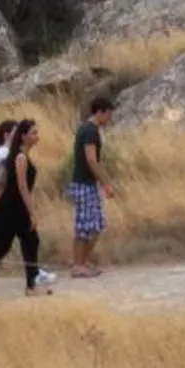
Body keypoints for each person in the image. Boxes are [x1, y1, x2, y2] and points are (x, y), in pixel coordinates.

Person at [0, 118, 55, 297]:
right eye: (33, 133)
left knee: (26, 241)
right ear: (23, 136)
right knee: (0, 245)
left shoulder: (20, 154)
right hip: (12, 208)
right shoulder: (20, 157)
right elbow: (22, 187)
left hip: (13, 207)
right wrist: (31, 212)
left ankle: (31, 283)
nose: (37, 136)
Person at [67, 95, 116, 278]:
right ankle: (78, 264)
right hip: (84, 184)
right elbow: (91, 160)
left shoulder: (87, 129)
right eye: (109, 114)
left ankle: (82, 261)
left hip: (87, 184)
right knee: (85, 226)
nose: (110, 118)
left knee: (95, 224)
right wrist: (106, 184)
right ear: (101, 112)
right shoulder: (90, 131)